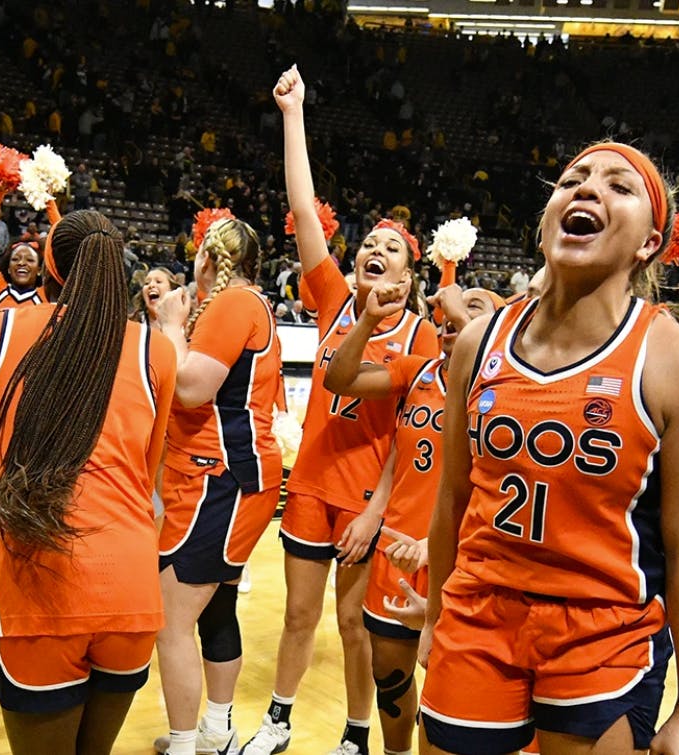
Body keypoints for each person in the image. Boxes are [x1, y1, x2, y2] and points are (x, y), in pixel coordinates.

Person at [420, 139, 679, 755]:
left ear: (650, 242)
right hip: (478, 611)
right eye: (573, 180)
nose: (587, 188)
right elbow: (452, 498)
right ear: (545, 224)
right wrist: (435, 615)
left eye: (619, 186)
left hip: (606, 628)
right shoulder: (478, 343)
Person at [243, 67, 438, 755]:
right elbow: (303, 209)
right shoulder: (332, 298)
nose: (375, 250)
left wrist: (376, 511)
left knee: (355, 626)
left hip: (363, 498)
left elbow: (405, 430)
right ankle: (278, 720)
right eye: (370, 243)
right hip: (310, 484)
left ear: (409, 277)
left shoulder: (420, 338)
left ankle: (357, 735)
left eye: (392, 248)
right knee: (297, 616)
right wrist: (294, 113)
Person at [0, 209, 177, 754]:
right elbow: (148, 476)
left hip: (39, 584)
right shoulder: (156, 349)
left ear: (50, 267)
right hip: (131, 587)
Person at [322, 283, 501, 755]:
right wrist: (367, 320)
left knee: (449, 685)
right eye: (447, 310)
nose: (451, 315)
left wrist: (460, 312)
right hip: (396, 550)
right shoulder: (415, 371)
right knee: (390, 676)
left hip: (459, 561)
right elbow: (339, 380)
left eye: (473, 308)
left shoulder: (500, 391)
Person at [148, 216, 281, 755]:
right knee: (217, 609)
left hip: (220, 478)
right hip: (220, 476)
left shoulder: (233, 304)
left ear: (206, 258)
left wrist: (170, 326)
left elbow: (190, 388)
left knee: (170, 621)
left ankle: (186, 746)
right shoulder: (241, 304)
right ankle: (216, 732)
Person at [0, 184, 57, 311]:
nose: (21, 263)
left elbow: (62, 245)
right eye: (15, 259)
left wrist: (49, 200)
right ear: (8, 268)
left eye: (30, 260)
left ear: (39, 269)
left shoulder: (47, 296)